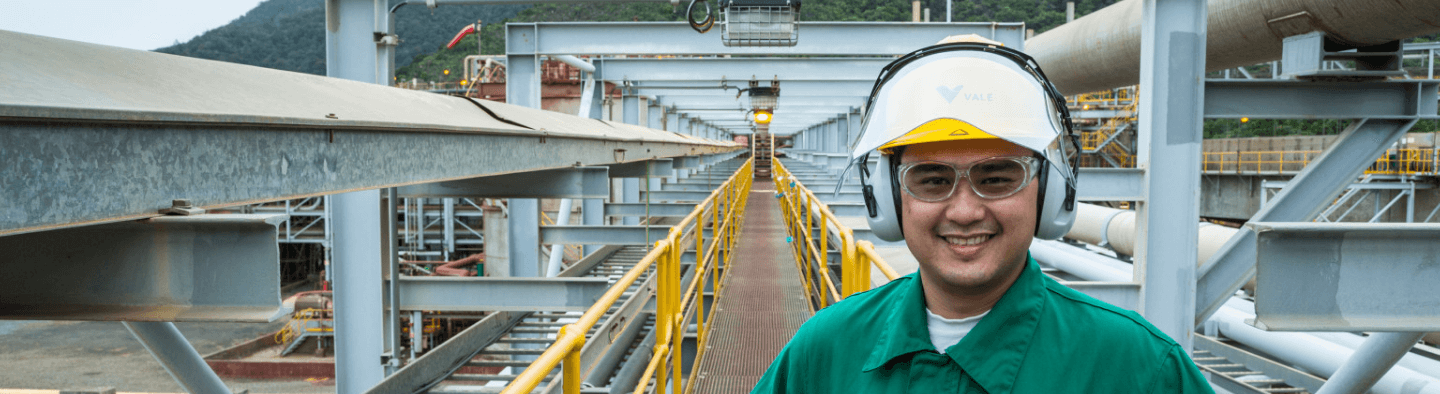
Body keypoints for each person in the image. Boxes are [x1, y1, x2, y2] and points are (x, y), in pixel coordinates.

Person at [752, 36, 1215, 393]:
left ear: (1050, 192)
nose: (966, 210)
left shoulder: (1140, 369)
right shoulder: (826, 350)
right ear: (889, 199)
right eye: (931, 179)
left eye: (997, 177)